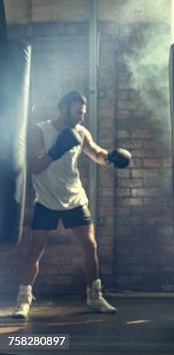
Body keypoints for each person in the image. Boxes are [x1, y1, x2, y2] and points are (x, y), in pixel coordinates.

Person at [13, 90, 131, 319]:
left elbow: (95, 153)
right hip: (46, 200)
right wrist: (57, 149)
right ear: (63, 109)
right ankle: (23, 301)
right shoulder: (40, 131)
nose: (81, 117)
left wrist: (111, 157)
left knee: (90, 246)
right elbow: (35, 167)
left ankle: (95, 297)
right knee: (35, 251)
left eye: (83, 113)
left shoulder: (81, 131)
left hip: (75, 199)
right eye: (78, 112)